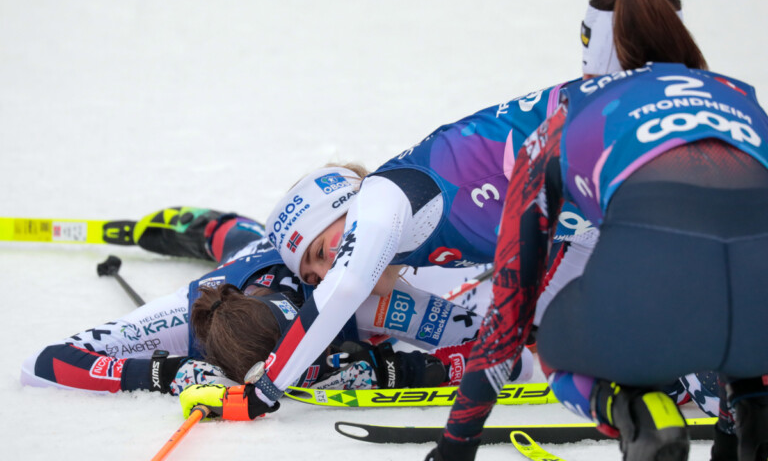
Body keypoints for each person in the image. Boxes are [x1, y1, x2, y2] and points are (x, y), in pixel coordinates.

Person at [425, 0, 768, 461]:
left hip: (661, 302)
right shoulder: (742, 98)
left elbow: (508, 315)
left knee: (551, 334)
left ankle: (638, 412)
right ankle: (754, 415)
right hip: (757, 320)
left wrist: (455, 446)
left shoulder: (564, 120)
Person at [176, 56, 571, 416]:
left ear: (345, 207)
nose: (326, 275)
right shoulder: (409, 238)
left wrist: (262, 392)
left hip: (593, 143)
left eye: (320, 251)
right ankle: (220, 230)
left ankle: (217, 228)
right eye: (313, 276)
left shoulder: (380, 202)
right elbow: (517, 355)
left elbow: (346, 286)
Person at [21, 204, 518, 395]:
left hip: (268, 249)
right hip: (245, 263)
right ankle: (186, 225)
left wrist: (394, 368)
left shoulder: (358, 299)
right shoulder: (180, 318)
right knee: (234, 237)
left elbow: (506, 349)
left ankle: (181, 224)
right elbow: (44, 363)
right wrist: (163, 373)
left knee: (235, 232)